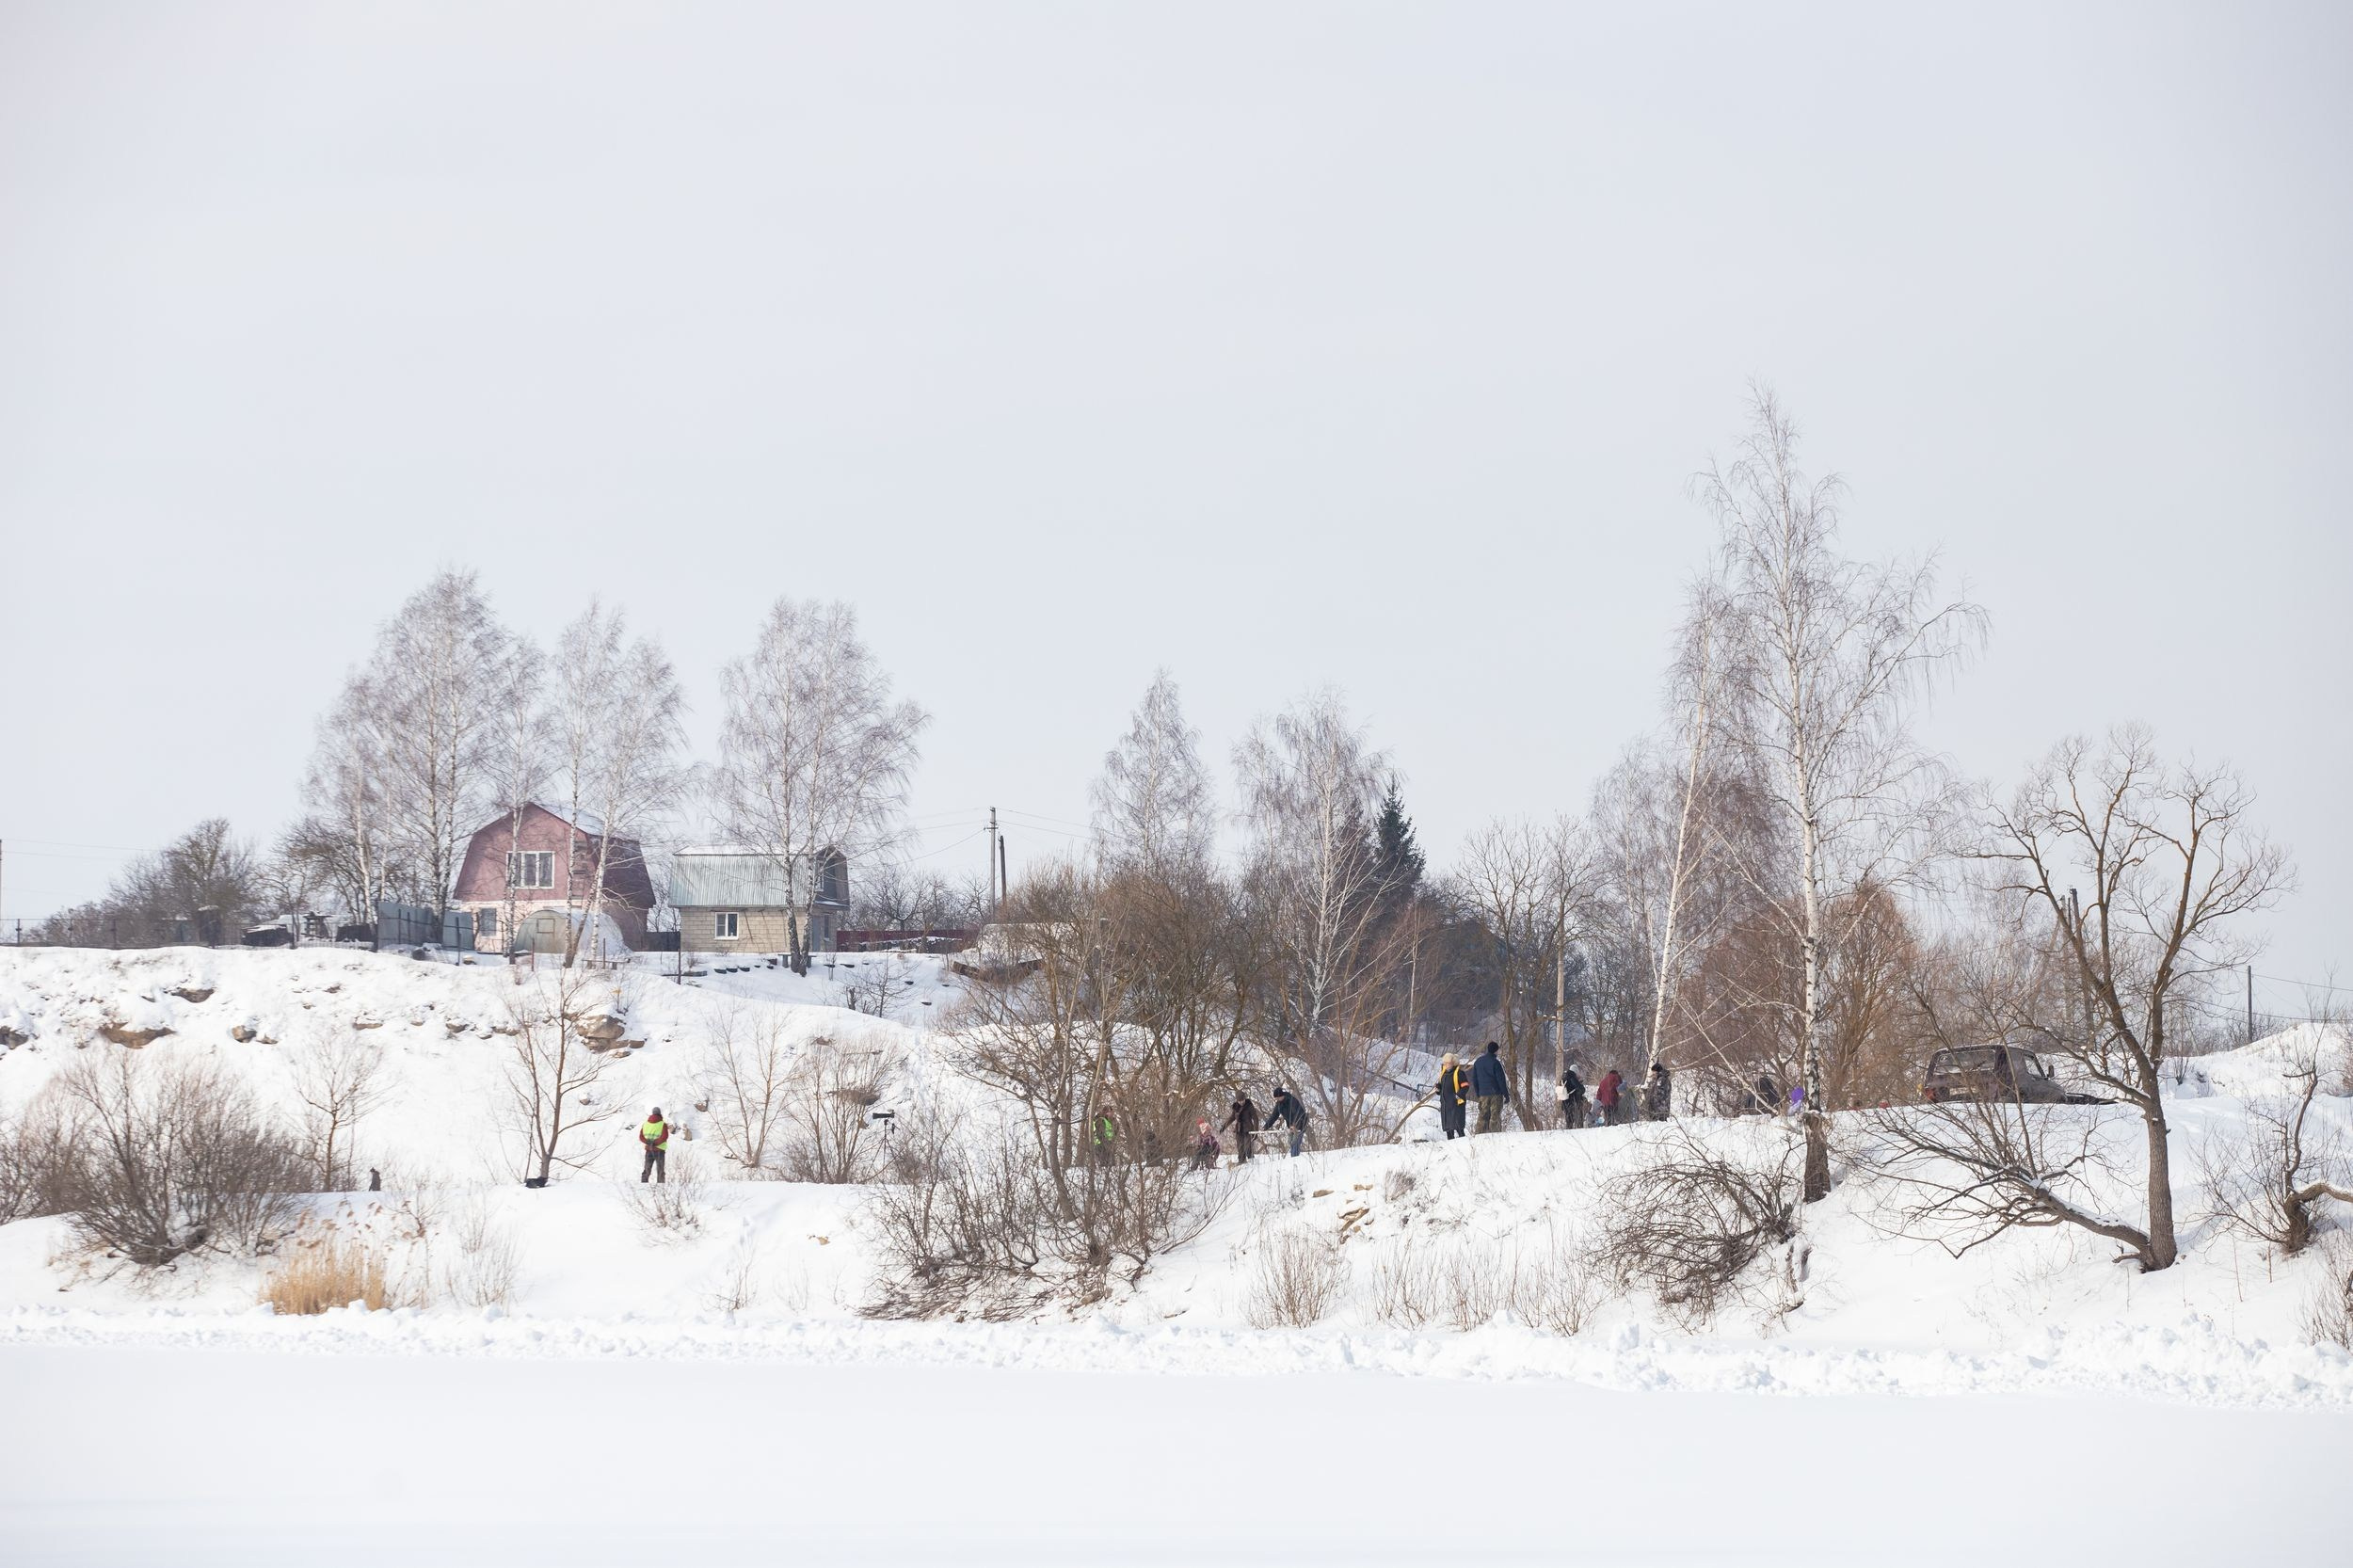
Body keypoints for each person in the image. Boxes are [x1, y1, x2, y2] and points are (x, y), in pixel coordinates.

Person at [1470, 1041, 1510, 1134]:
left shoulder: (1478, 1062)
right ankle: (1495, 1136)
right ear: (1496, 1051)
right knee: (1494, 1116)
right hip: (1495, 1094)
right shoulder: (1496, 1063)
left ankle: (1479, 1136)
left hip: (1483, 1094)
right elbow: (1501, 1080)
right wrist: (1506, 1095)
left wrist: (1478, 1093)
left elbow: (1474, 1079)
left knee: (1483, 1116)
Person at [1434, 1052, 1472, 1140]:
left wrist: (1458, 1095)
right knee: (1448, 1128)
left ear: (1453, 1063)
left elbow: (1465, 1086)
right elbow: (1441, 1090)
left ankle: (1463, 1143)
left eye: (1448, 1063)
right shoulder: (1443, 1074)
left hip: (1456, 1104)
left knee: (1458, 1126)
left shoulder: (1459, 1073)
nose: (1446, 1065)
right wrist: (1438, 1089)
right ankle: (1451, 1144)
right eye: (1444, 1063)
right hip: (1445, 1105)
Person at [1265, 1085, 1310, 1158]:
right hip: (1291, 1126)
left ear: (1281, 1096)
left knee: (1295, 1144)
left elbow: (1297, 1113)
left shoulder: (1292, 1100)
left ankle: (1295, 1160)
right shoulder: (1279, 1104)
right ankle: (1293, 1159)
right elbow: (1274, 1116)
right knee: (1291, 1143)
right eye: (1276, 1098)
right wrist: (1266, 1126)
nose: (1277, 1100)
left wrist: (1295, 1125)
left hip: (1300, 1124)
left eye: (1277, 1098)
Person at [1219, 1093, 1261, 1162]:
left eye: (1242, 1100)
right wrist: (1223, 1127)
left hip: (1248, 1129)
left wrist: (1256, 1131)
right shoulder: (1236, 1107)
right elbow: (1231, 1118)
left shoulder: (1250, 1106)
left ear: (1244, 1099)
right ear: (1237, 1100)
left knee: (1248, 1147)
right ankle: (1241, 1161)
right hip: (1239, 1129)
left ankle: (1252, 1161)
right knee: (1240, 1147)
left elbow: (1255, 1118)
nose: (1241, 1102)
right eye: (1239, 1101)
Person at [639, 1107, 670, 1184]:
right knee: (660, 1170)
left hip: (649, 1150)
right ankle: (661, 1187)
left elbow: (641, 1136)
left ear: (652, 1113)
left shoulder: (645, 1124)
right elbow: (664, 1137)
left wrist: (648, 1142)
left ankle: (643, 1185)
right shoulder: (663, 1124)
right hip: (659, 1150)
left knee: (647, 1169)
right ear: (659, 1113)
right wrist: (655, 1143)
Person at [1557, 1064, 1587, 1129]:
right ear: (1576, 1072)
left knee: (1569, 1123)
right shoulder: (1572, 1077)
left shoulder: (1563, 1079)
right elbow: (1582, 1090)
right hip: (1574, 1103)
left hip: (1565, 1104)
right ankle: (1580, 1134)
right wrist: (1579, 1083)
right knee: (1579, 1121)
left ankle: (1568, 1136)